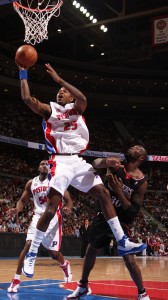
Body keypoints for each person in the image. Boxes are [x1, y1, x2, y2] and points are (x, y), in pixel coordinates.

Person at [17, 63, 146, 278]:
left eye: (65, 92)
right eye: (59, 91)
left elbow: (83, 98)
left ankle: (121, 239)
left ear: (71, 97)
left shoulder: (77, 109)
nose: (61, 92)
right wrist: (23, 72)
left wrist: (60, 80)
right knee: (51, 208)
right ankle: (32, 252)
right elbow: (27, 100)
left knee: (103, 192)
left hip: (78, 161)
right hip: (60, 161)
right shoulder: (51, 111)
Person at [66, 145, 150, 300]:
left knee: (129, 258)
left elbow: (133, 212)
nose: (133, 147)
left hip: (122, 221)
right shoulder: (117, 165)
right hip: (103, 216)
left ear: (141, 158)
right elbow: (94, 164)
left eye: (137, 148)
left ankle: (142, 293)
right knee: (92, 249)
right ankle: (83, 286)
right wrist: (105, 161)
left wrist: (119, 191)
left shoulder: (141, 181)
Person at [6, 160, 73, 293]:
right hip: (38, 216)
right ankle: (16, 280)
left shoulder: (56, 180)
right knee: (28, 245)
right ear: (38, 167)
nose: (44, 166)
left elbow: (69, 199)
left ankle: (65, 265)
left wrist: (68, 207)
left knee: (53, 253)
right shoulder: (31, 183)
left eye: (46, 164)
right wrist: (17, 209)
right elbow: (22, 200)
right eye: (42, 163)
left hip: (53, 218)